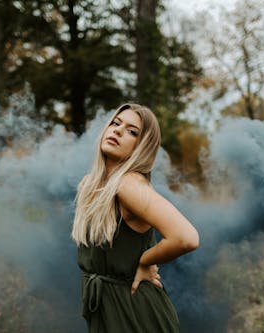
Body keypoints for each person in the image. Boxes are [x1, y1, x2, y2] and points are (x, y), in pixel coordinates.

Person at [72, 103, 199, 332]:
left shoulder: (127, 184)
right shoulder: (89, 184)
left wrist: (145, 261)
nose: (118, 131)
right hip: (106, 307)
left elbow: (186, 237)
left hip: (135, 311)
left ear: (142, 147)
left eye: (132, 131)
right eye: (116, 123)